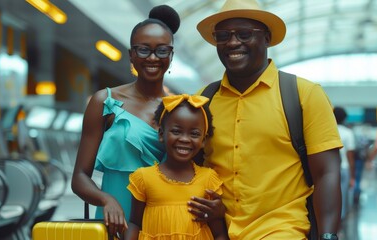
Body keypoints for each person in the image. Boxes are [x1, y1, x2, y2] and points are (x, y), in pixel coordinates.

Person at [188, 0, 344, 239]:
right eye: (223, 35)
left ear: (267, 38)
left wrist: (329, 235)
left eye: (244, 34)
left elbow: (327, 172)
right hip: (214, 230)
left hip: (282, 230)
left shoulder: (303, 94)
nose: (232, 42)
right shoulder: (202, 99)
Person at [71, 5, 180, 237]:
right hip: (116, 222)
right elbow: (80, 177)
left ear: (171, 55)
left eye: (162, 50)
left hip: (167, 221)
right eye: (143, 50)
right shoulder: (104, 101)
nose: (152, 58)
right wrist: (105, 199)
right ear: (131, 54)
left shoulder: (180, 108)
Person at [124, 94, 229, 240]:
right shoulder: (144, 178)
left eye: (194, 133)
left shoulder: (208, 180)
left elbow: (219, 234)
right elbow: (135, 223)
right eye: (176, 131)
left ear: (203, 140)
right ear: (161, 134)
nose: (184, 139)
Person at [333, 107, 355, 223]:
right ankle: (339, 222)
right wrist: (352, 176)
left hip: (330, 168)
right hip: (344, 169)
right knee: (342, 197)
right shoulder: (348, 133)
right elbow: (350, 156)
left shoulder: (328, 130)